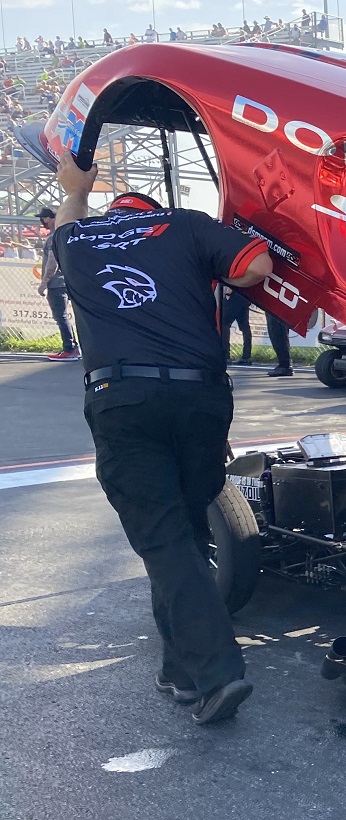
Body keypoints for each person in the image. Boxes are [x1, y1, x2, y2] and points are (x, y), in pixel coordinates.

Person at [51, 152, 272, 724]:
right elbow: (256, 268)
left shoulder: (78, 239)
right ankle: (179, 667)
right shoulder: (188, 226)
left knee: (163, 536)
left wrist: (75, 187)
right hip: (201, 398)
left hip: (122, 398)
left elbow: (66, 219)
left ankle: (216, 672)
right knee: (187, 527)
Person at [35, 207, 78, 360]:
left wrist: (44, 283)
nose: (42, 221)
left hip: (57, 283)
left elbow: (52, 263)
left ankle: (70, 348)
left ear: (51, 218)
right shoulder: (65, 235)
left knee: (61, 316)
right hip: (69, 281)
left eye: (44, 218)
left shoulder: (53, 238)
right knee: (73, 316)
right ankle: (74, 347)